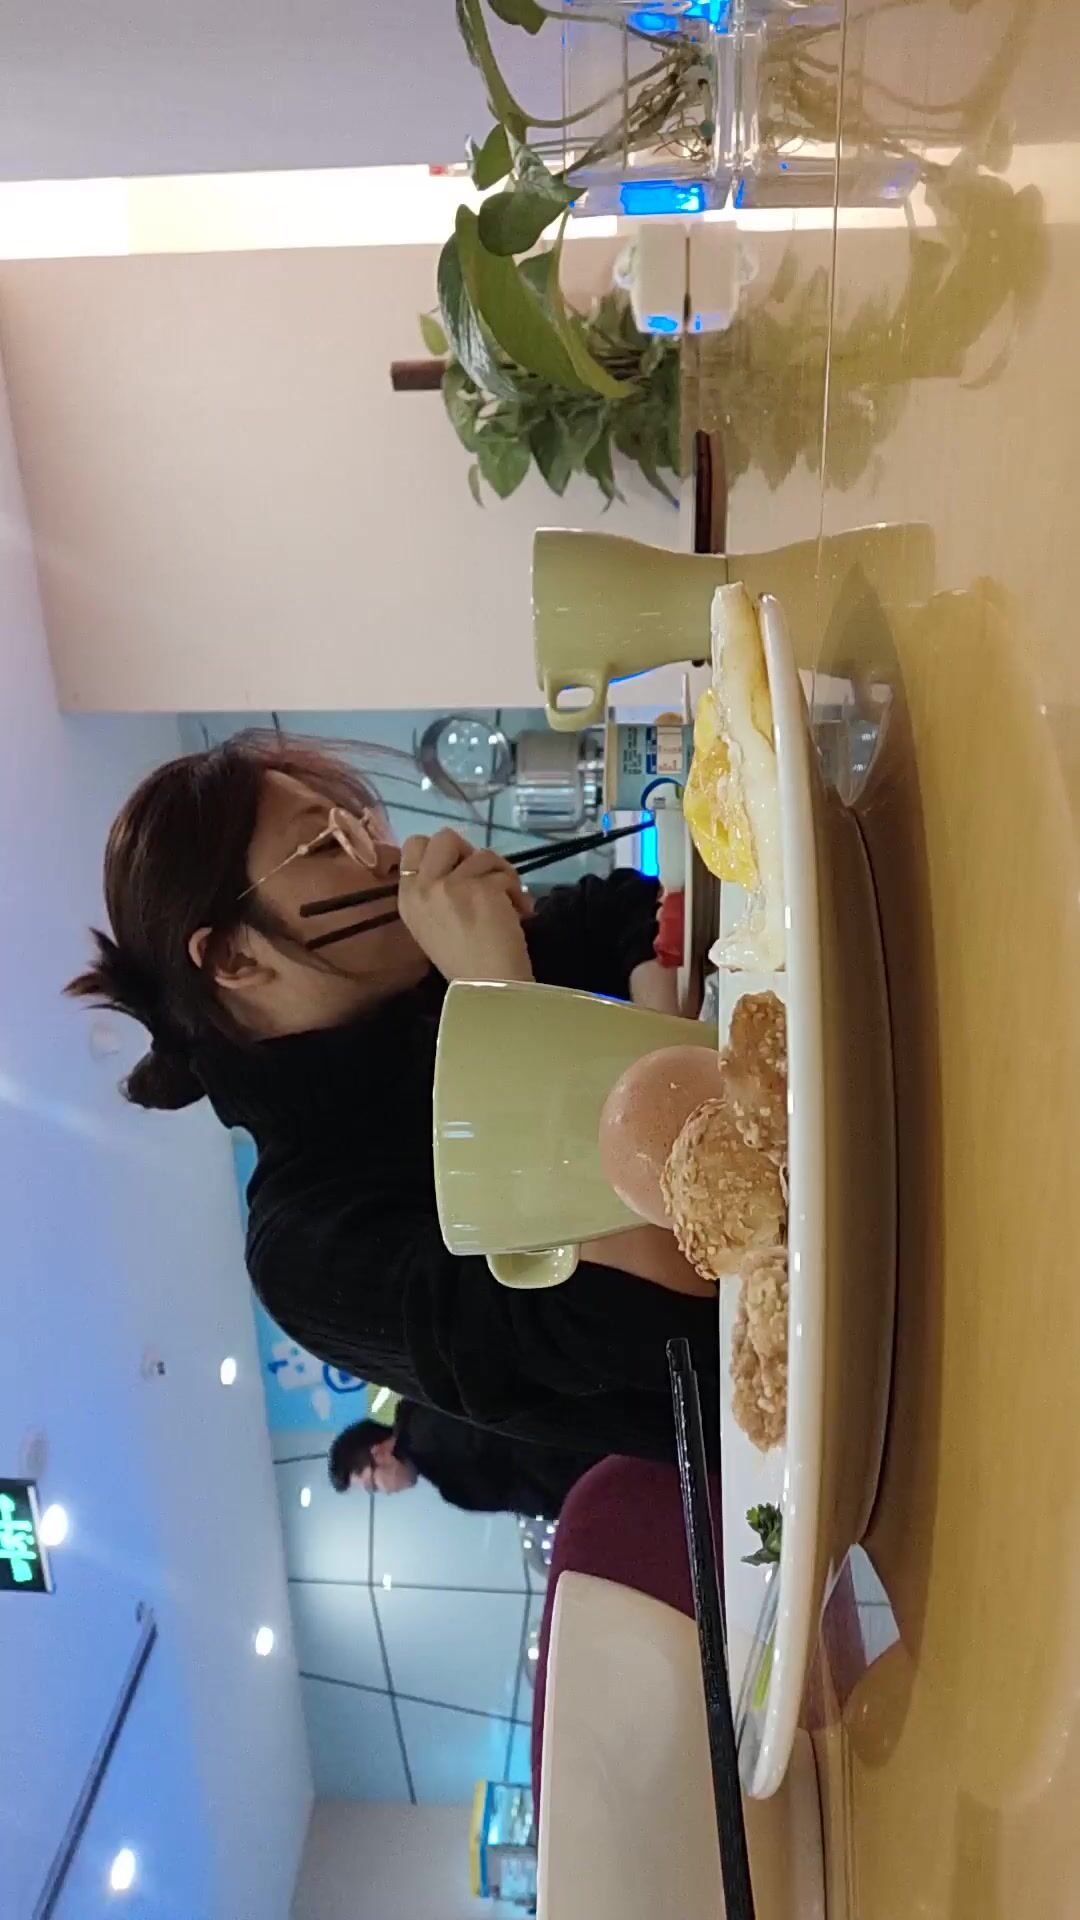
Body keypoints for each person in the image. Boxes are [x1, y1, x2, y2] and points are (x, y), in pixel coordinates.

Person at [68, 734, 721, 1464]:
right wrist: (503, 999)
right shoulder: (303, 1245)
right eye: (327, 845)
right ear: (234, 957)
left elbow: (622, 909)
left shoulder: (424, 989)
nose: (390, 856)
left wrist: (667, 1028)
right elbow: (656, 1301)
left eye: (359, 826)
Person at [328, 1404, 599, 1519]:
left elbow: (519, 1450)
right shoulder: (424, 1416)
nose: (385, 1492)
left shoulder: (432, 1440)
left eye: (373, 1485)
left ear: (378, 1453)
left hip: (584, 1460)